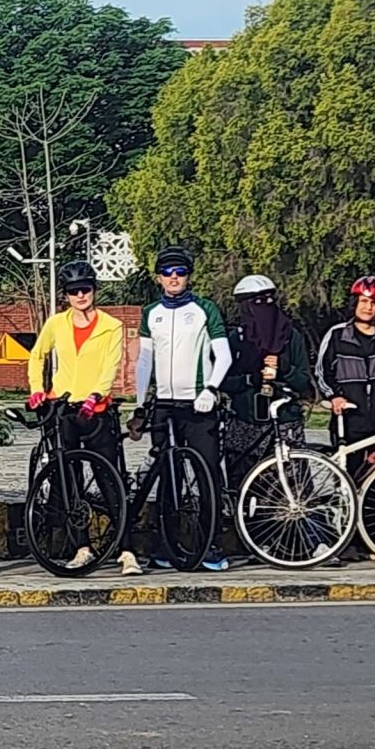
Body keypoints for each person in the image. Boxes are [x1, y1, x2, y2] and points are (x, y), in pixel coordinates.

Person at [131, 245, 231, 573]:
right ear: (159, 278)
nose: (174, 278)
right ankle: (167, 544)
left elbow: (223, 355)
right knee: (167, 478)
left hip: (198, 404)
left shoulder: (205, 309)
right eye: (168, 273)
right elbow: (145, 360)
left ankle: (210, 544)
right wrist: (140, 403)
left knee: (207, 475)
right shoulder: (151, 313)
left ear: (188, 276)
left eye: (181, 272)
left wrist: (211, 389)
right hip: (164, 404)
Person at [26, 259, 125, 570]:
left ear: (94, 290)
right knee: (71, 483)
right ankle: (81, 547)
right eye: (73, 291)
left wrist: (96, 394)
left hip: (96, 410)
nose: (81, 295)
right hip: (64, 409)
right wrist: (36, 388)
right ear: (66, 296)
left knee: (110, 480)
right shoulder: (57, 323)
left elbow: (111, 366)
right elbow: (37, 354)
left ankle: (126, 549)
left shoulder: (112, 326)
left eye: (86, 289)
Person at [312, 275, 375, 565]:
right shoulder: (337, 335)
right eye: (364, 301)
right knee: (348, 483)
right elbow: (320, 374)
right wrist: (334, 398)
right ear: (355, 303)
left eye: (374, 303)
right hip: (349, 422)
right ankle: (346, 541)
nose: (368, 308)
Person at [222, 274, 300, 497]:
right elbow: (222, 381)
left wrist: (283, 367)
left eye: (268, 301)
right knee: (244, 488)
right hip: (244, 423)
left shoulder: (290, 337)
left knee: (290, 490)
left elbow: (303, 380)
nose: (263, 308)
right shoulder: (235, 340)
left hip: (284, 422)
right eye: (255, 303)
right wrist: (249, 380)